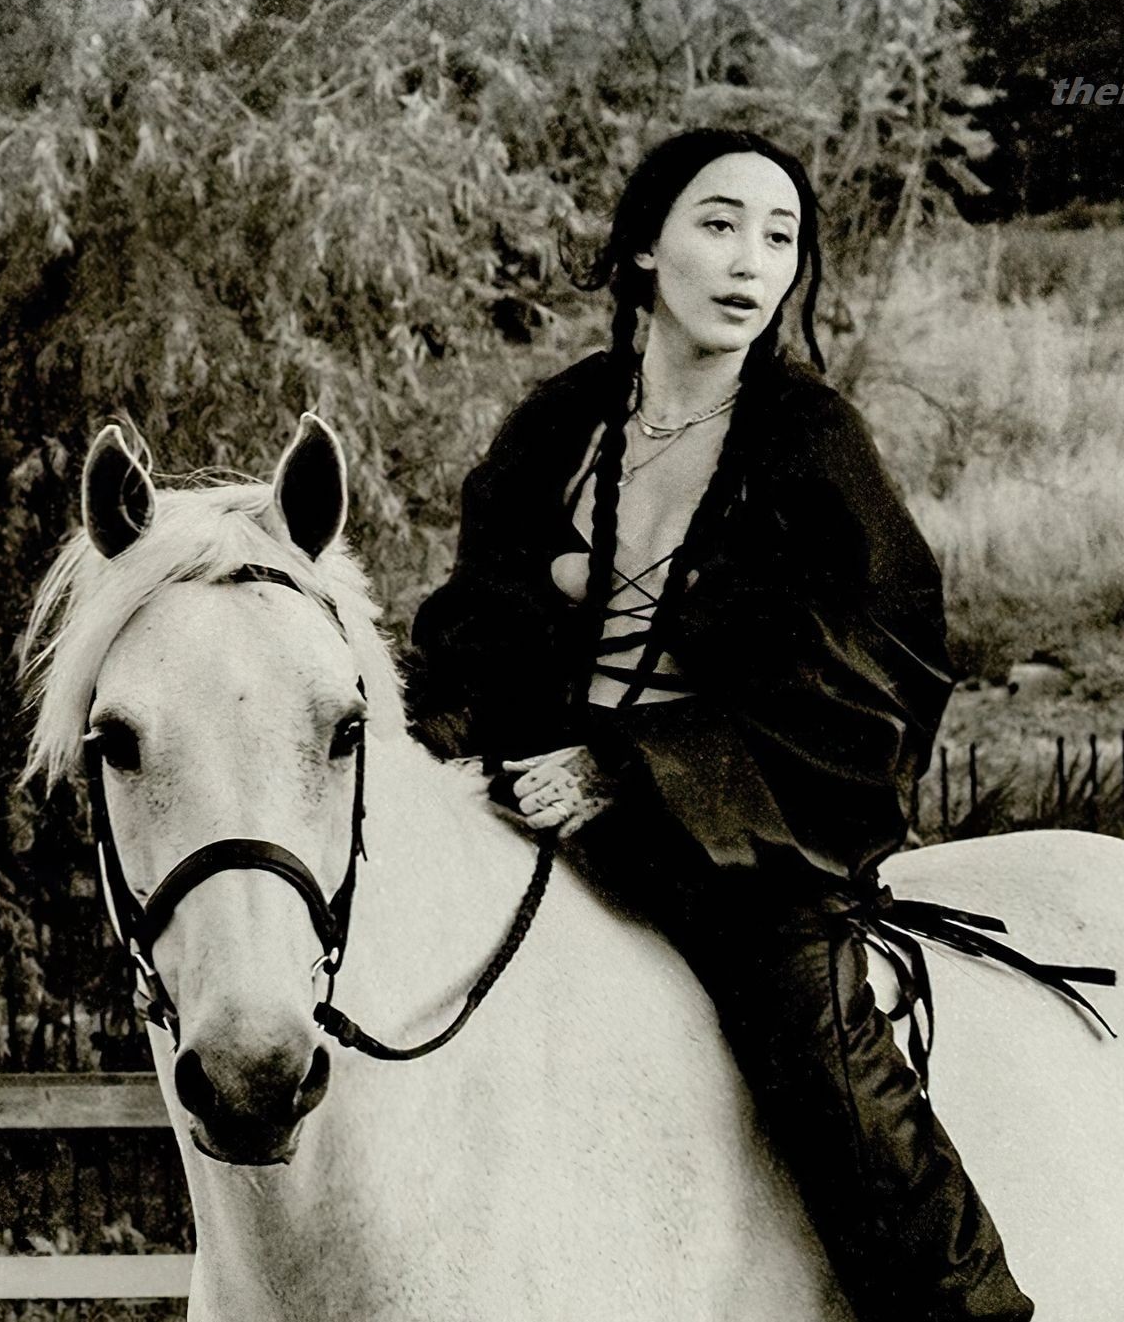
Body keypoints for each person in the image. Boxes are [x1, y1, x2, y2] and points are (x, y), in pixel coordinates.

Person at [407, 128, 1034, 1321]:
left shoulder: (812, 441)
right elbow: (475, 621)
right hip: (531, 799)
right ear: (646, 248)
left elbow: (875, 670)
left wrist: (625, 766)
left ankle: (968, 1312)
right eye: (719, 223)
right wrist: (440, 734)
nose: (752, 260)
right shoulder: (561, 423)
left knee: (822, 1058)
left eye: (780, 236)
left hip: (729, 837)